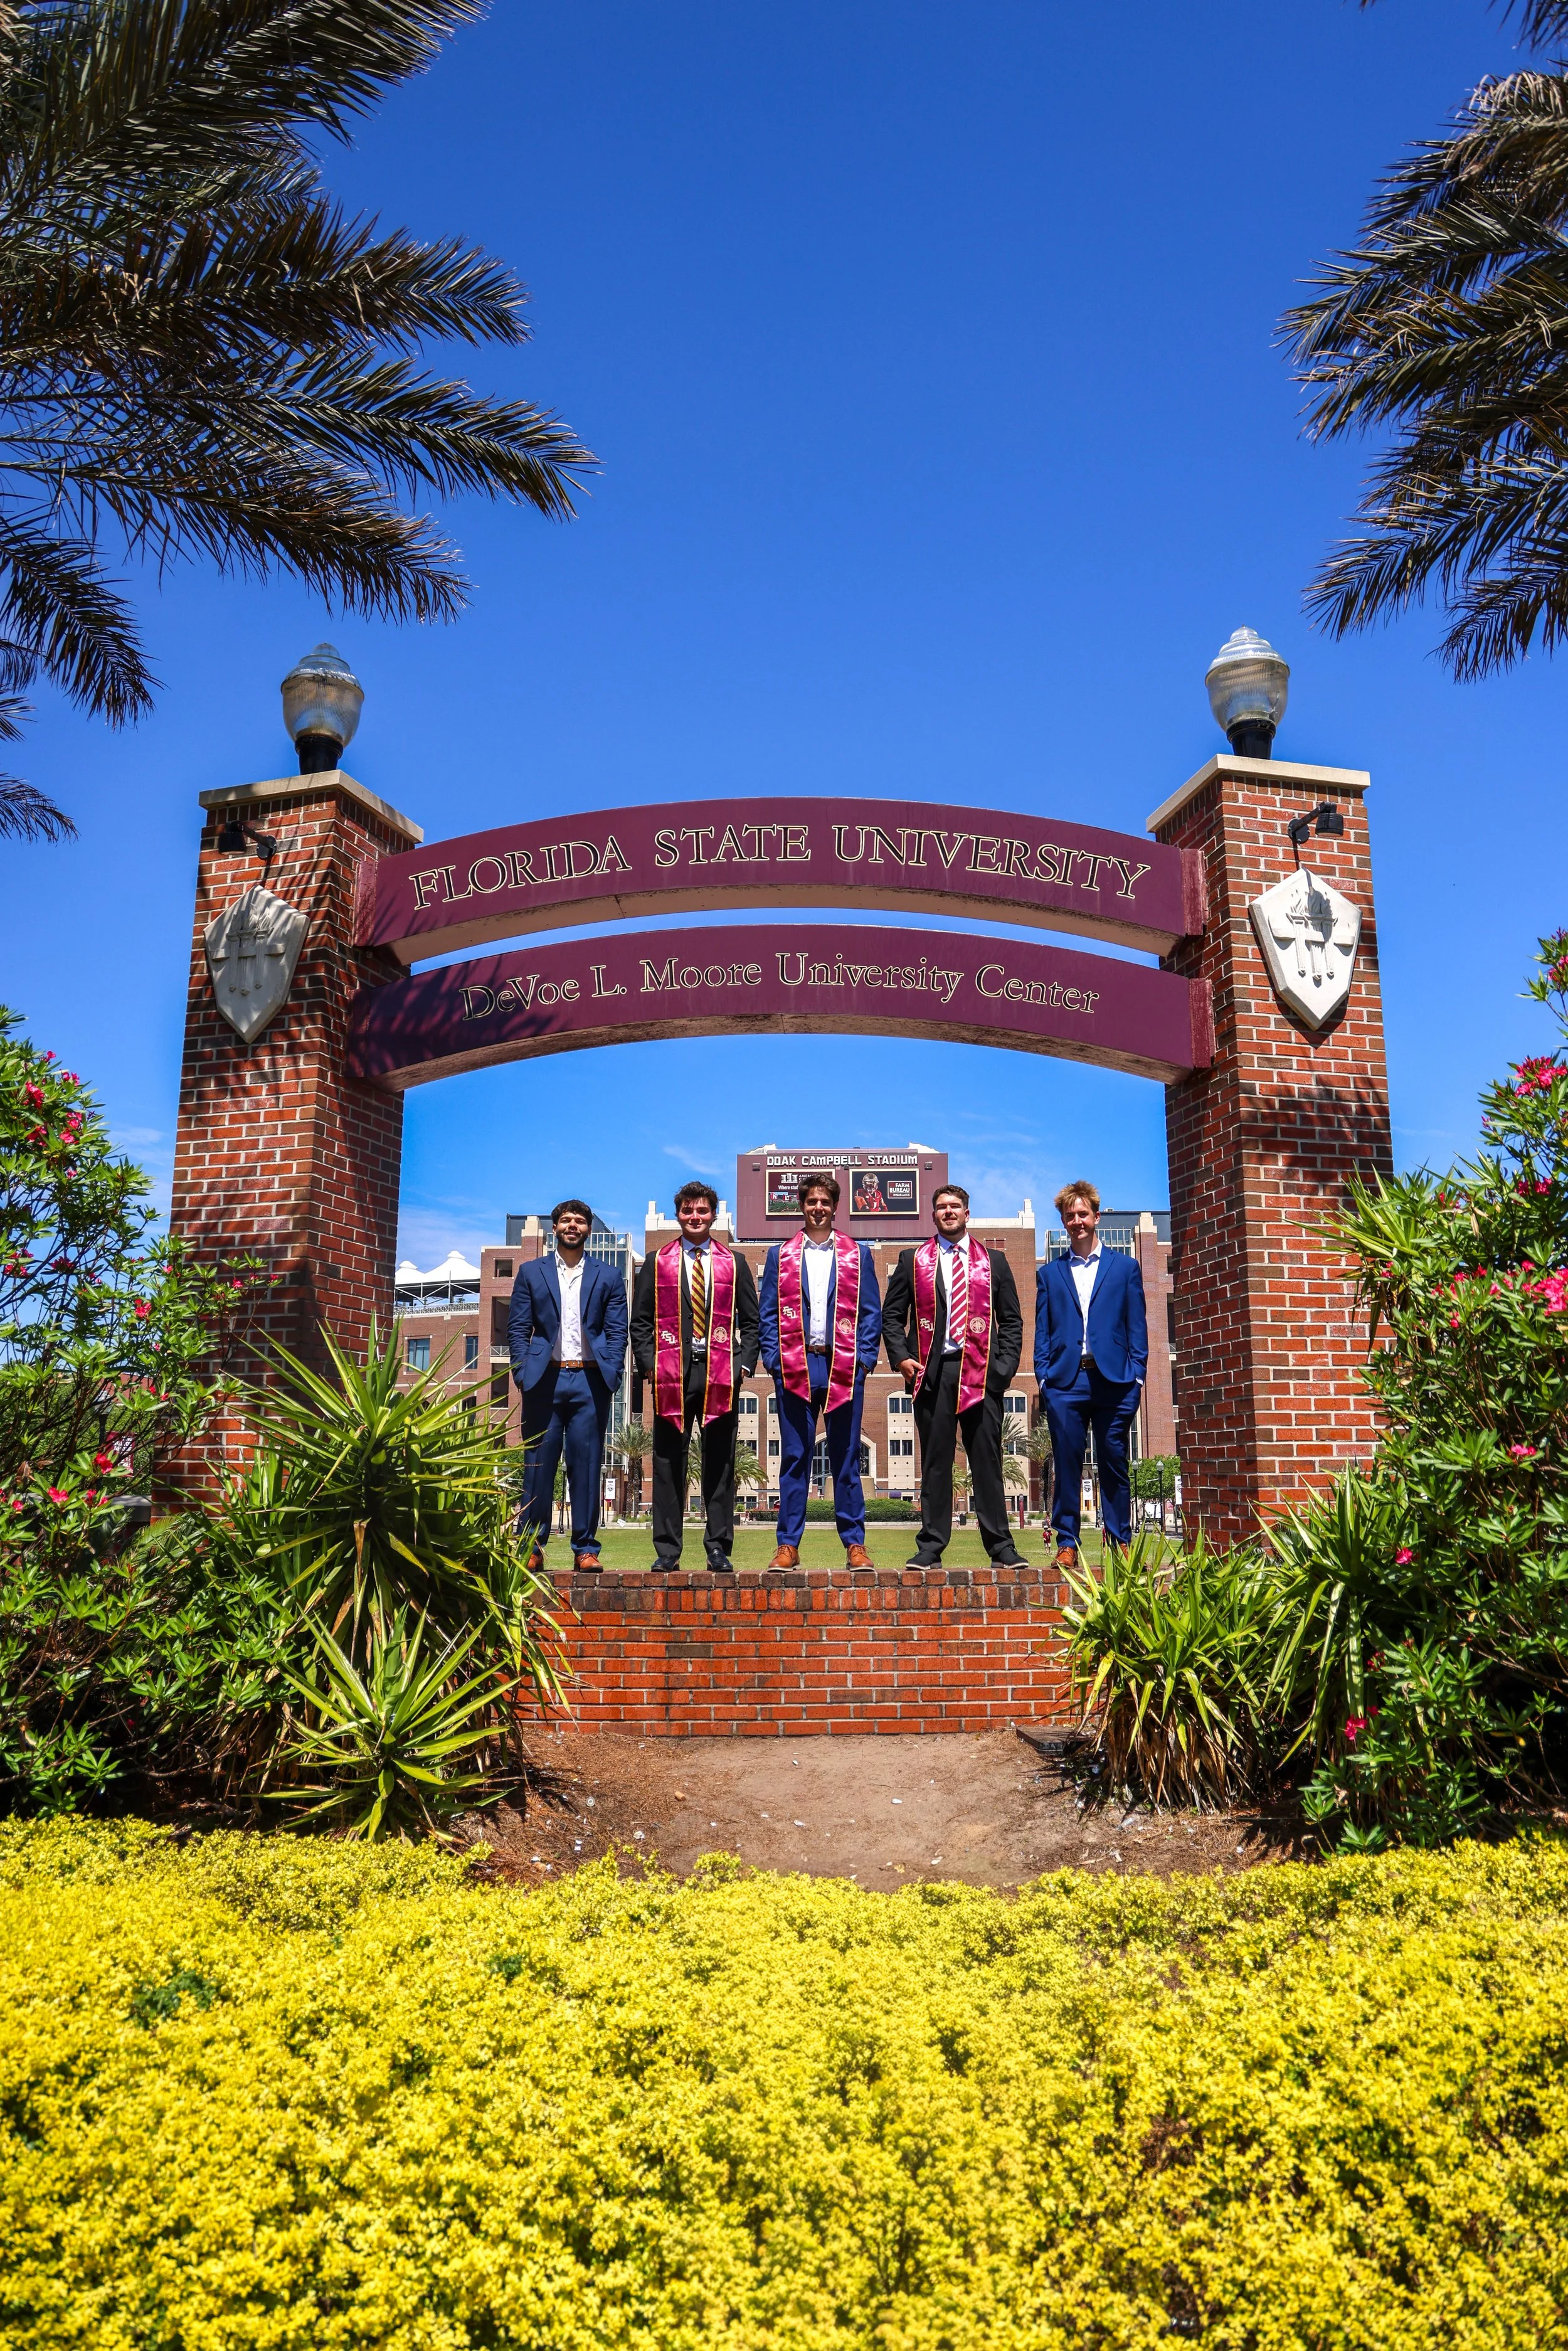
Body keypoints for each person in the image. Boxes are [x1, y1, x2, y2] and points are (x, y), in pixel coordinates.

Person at [882, 1182, 1025, 1568]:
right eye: (942, 1207)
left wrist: (1003, 1371)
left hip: (982, 1373)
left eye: (955, 1206)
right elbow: (892, 1317)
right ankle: (930, 1547)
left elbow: (1011, 1322)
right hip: (933, 1373)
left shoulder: (993, 1261)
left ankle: (1001, 1547)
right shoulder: (913, 1260)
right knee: (935, 1461)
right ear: (934, 1215)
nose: (949, 1212)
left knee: (987, 1461)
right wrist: (901, 1358)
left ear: (967, 1213)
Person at [630, 1181, 760, 1573]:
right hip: (671, 1374)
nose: (695, 1217)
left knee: (720, 1461)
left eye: (702, 1211)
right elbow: (640, 1322)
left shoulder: (733, 1262)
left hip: (720, 1373)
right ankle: (668, 1550)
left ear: (713, 1215)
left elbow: (752, 1323)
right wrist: (650, 1364)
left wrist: (743, 1364)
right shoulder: (658, 1261)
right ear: (678, 1215)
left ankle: (718, 1547)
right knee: (668, 1461)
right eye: (688, 1211)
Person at [758, 1173, 882, 1569]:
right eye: (811, 1201)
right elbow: (768, 1315)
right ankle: (788, 1545)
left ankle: (855, 1545)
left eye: (825, 1202)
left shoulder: (856, 1254)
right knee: (795, 1456)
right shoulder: (782, 1255)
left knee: (847, 1456)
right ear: (802, 1206)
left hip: (843, 1364)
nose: (818, 1208)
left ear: (835, 1206)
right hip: (795, 1363)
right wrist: (775, 1363)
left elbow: (870, 1312)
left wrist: (863, 1361)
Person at [509, 1198, 628, 1573]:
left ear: (588, 1229)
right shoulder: (532, 1273)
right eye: (565, 1220)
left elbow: (616, 1330)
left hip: (590, 1381)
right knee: (538, 1464)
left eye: (579, 1221)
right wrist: (520, 1370)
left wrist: (613, 1368)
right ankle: (532, 1545)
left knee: (587, 1465)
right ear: (554, 1229)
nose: (572, 1225)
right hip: (544, 1379)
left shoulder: (608, 1276)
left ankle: (586, 1548)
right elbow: (517, 1328)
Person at [1034, 1180, 1147, 1568]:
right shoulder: (1050, 1274)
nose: (1077, 1221)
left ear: (1096, 1217)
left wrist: (1139, 1376)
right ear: (1064, 1222)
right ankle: (1068, 1544)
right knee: (1066, 1463)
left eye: (1083, 1214)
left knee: (1115, 1460)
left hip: (1115, 1380)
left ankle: (1120, 1544)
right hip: (1065, 1382)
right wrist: (1043, 1378)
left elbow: (1137, 1327)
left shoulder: (1125, 1268)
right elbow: (1043, 1330)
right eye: (1070, 1216)